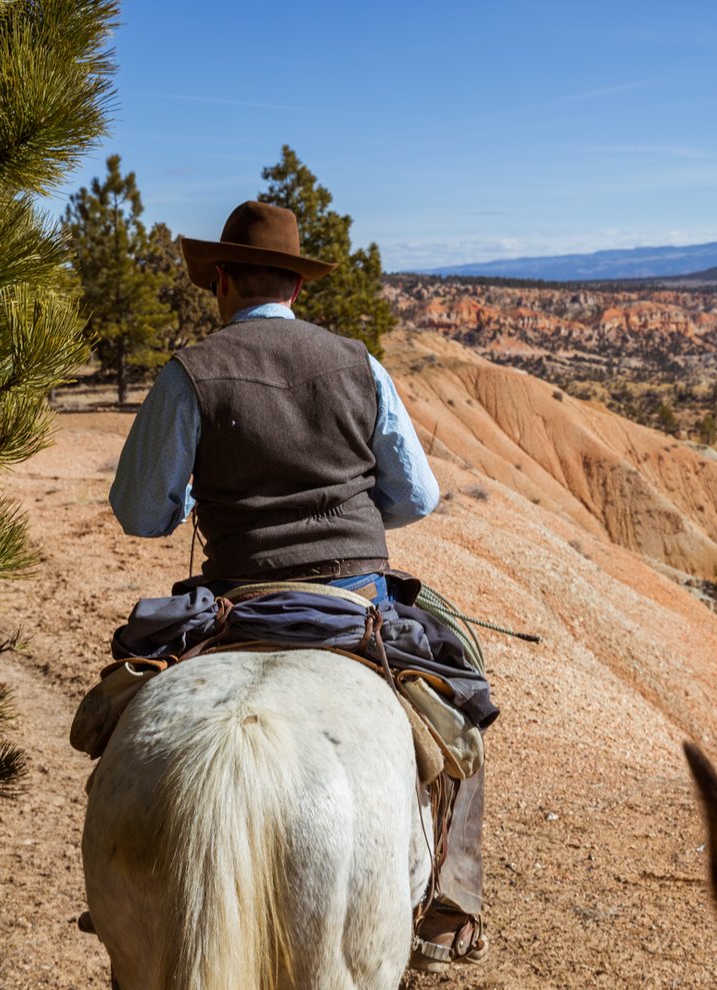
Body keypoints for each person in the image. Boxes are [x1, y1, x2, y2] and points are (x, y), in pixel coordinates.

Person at [106, 200, 487, 969]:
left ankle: (128, 898)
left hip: (233, 599)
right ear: (298, 288)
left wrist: (191, 496)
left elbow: (143, 513)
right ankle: (450, 902)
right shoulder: (359, 364)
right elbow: (417, 498)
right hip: (354, 601)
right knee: (460, 703)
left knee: (114, 711)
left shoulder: (190, 373)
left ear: (220, 281)